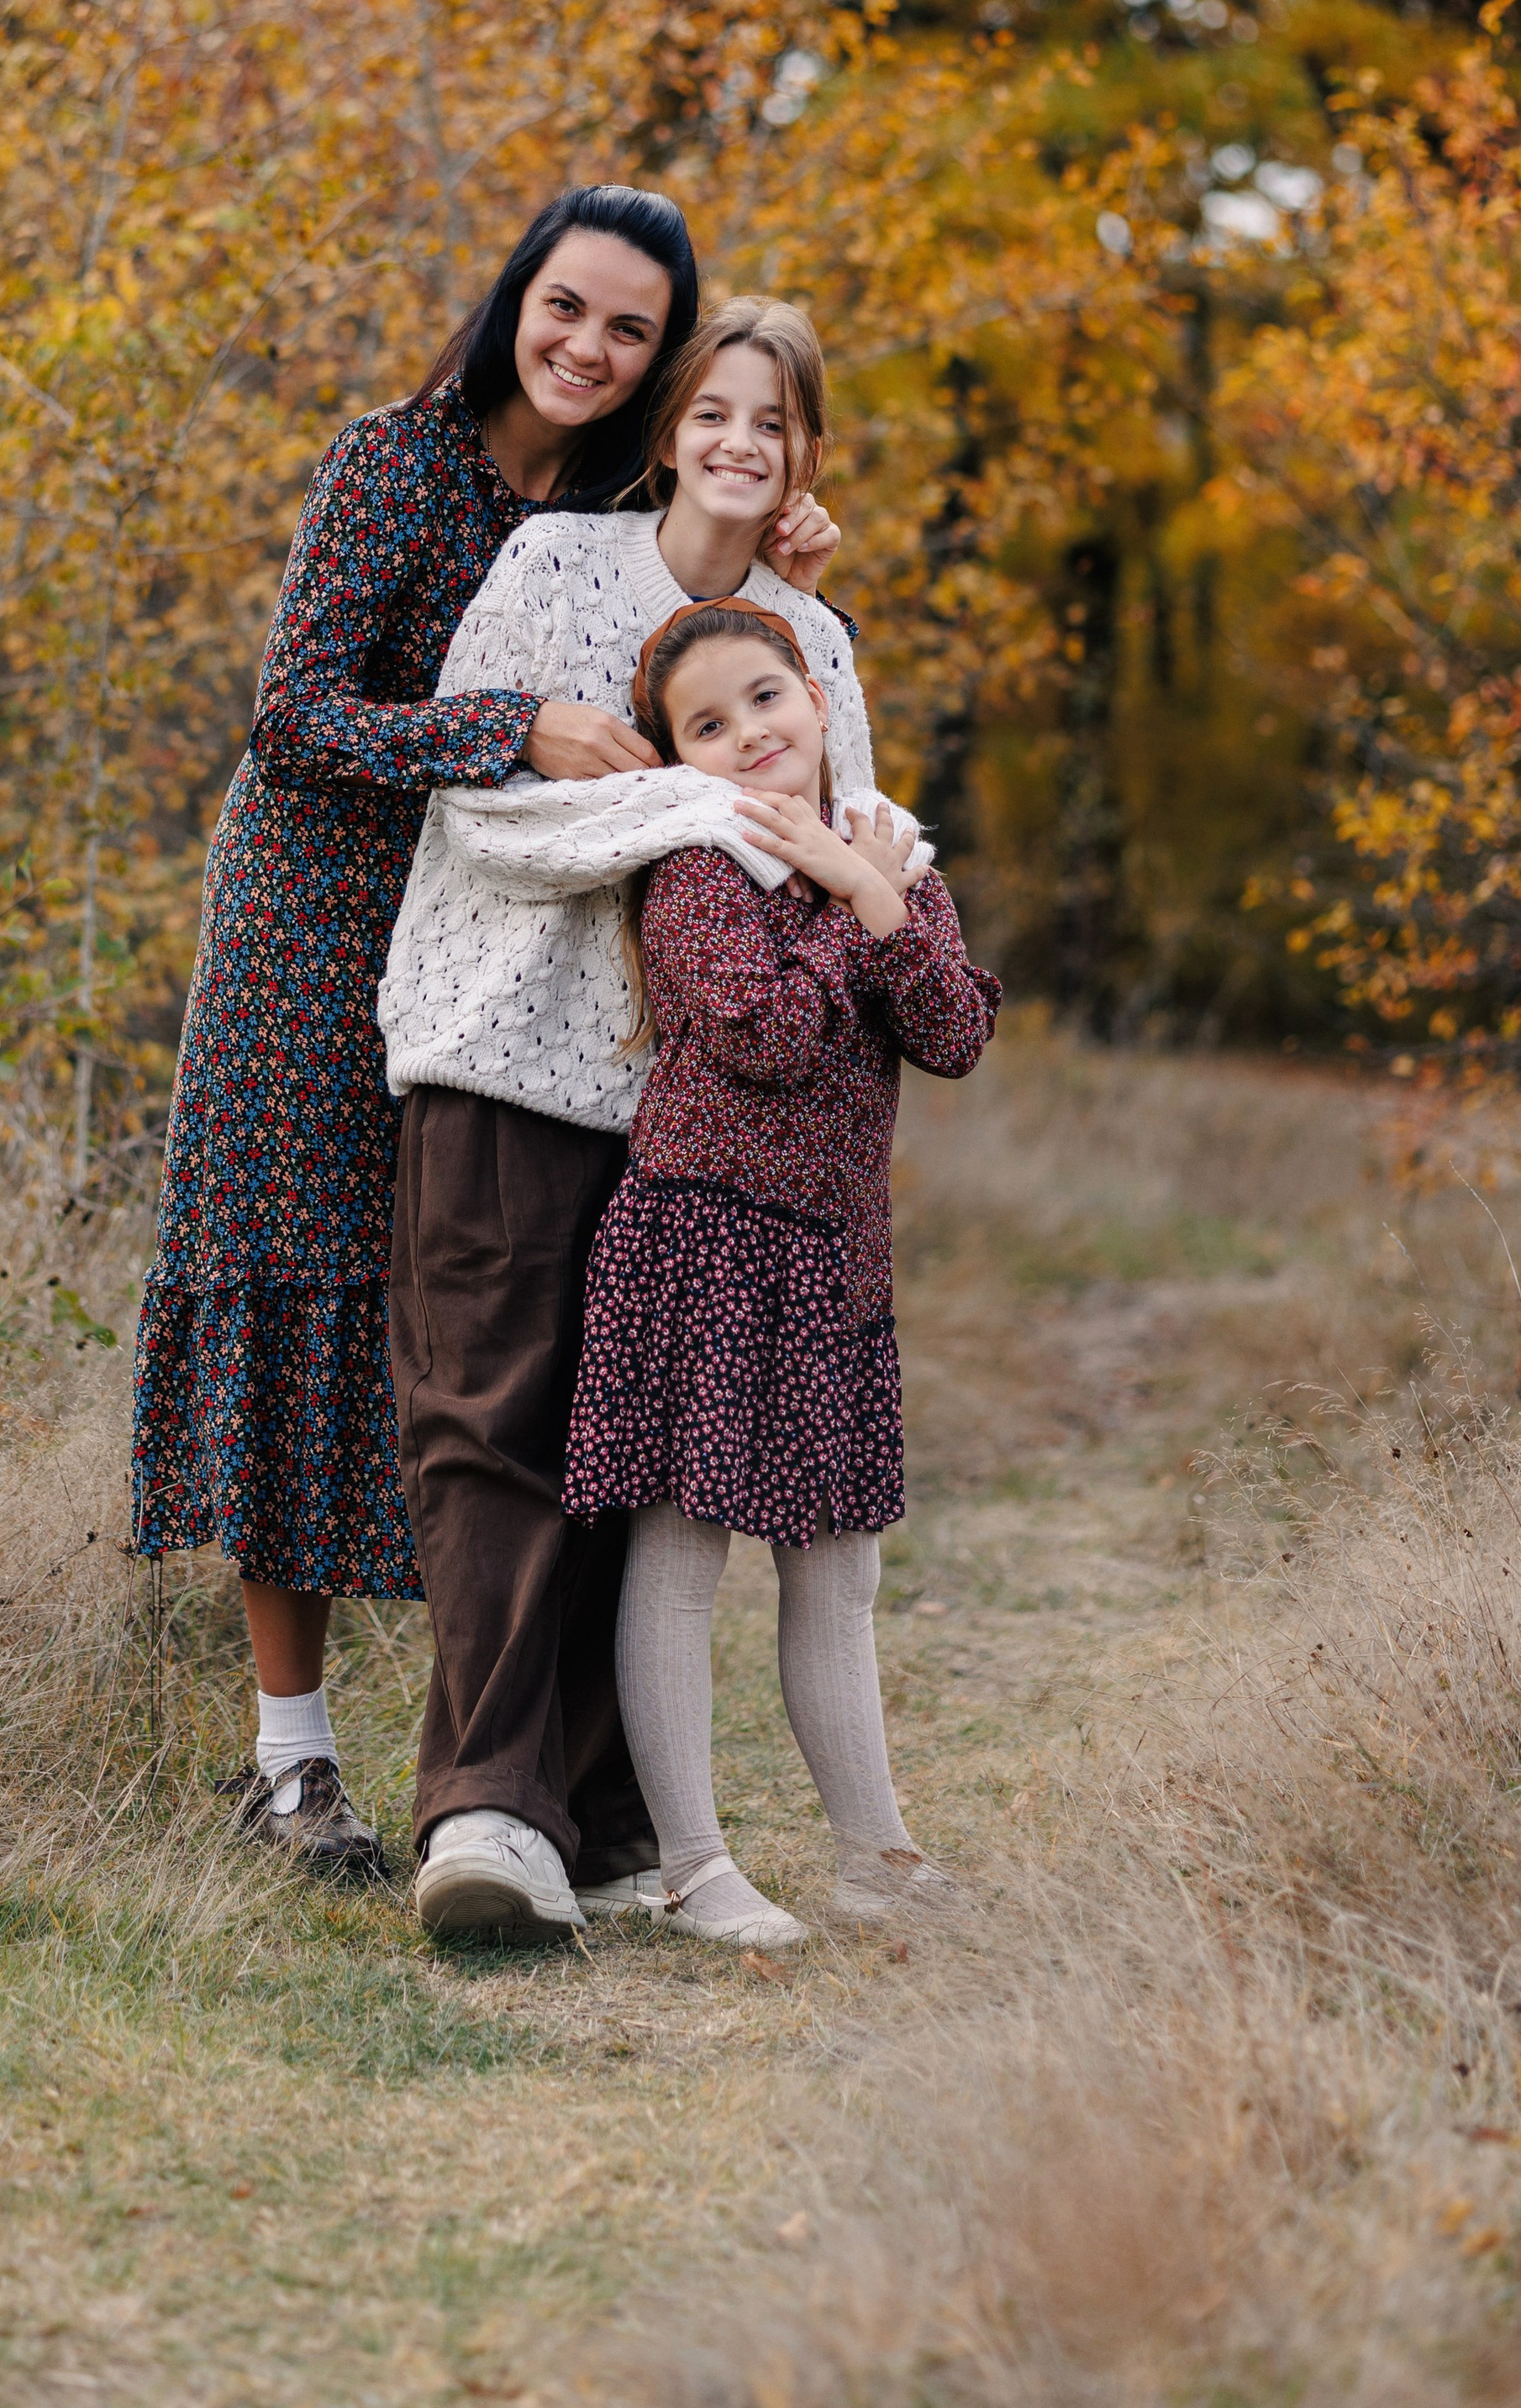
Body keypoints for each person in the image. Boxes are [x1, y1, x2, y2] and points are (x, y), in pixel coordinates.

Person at [131, 185, 717, 1876]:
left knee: (484, 1317)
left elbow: (703, 661)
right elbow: (293, 713)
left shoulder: (626, 504)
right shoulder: (397, 458)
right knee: (299, 1295)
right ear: (512, 298)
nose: (588, 349)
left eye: (627, 330)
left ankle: (509, 1765)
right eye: (566, 309)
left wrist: (776, 555)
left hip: (504, 949)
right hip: (312, 926)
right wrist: (504, 727)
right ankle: (289, 1768)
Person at [379, 298, 898, 1940]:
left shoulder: (810, 640)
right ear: (671, 429)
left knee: (634, 1478)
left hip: (703, 1118)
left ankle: (607, 1822)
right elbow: (482, 806)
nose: (743, 445)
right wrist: (692, 800)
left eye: (775, 423)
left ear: (808, 456)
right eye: (716, 414)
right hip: (508, 1058)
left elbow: (849, 861)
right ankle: (484, 1816)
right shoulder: (550, 571)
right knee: (499, 1433)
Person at [558, 598, 1000, 1951]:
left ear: (815, 698)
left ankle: (874, 1854)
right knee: (684, 1554)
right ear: (681, 759)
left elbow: (956, 1031)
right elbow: (766, 1036)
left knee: (837, 1572)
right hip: (703, 1235)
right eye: (709, 723)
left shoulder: (895, 860)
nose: (749, 734)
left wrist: (874, 887)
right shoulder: (696, 870)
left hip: (833, 1266)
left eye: (766, 699)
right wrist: (840, 896)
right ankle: (694, 1867)